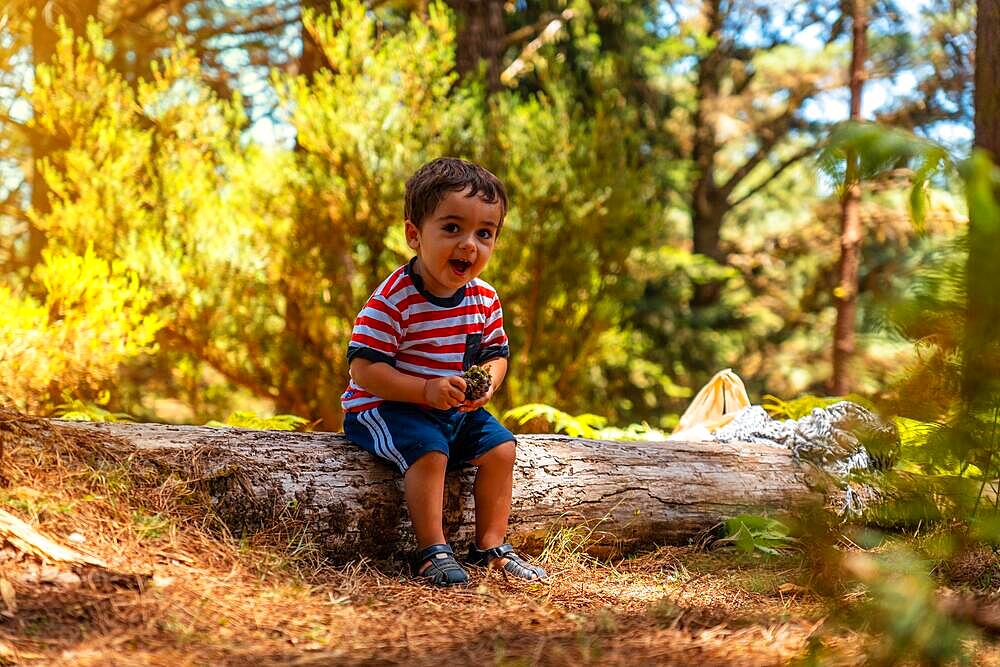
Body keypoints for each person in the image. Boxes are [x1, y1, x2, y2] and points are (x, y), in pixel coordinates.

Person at [341, 157, 547, 586]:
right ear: (414, 235)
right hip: (386, 405)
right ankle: (431, 549)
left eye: (484, 233)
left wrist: (487, 382)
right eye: (452, 228)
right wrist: (423, 390)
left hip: (452, 406)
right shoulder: (392, 300)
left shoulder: (485, 299)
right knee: (430, 451)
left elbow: (496, 354)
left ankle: (491, 546)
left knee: (502, 449)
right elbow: (364, 369)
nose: (469, 244)